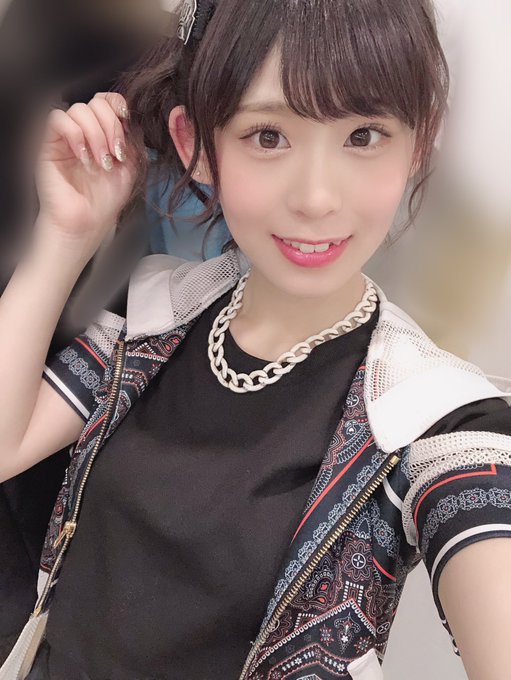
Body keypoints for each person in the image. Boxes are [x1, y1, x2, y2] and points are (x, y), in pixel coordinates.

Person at [1, 1, 511, 678]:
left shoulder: (438, 420)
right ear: (194, 144)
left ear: (419, 143)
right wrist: (67, 235)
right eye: (268, 136)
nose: (316, 197)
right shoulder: (152, 316)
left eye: (363, 135)